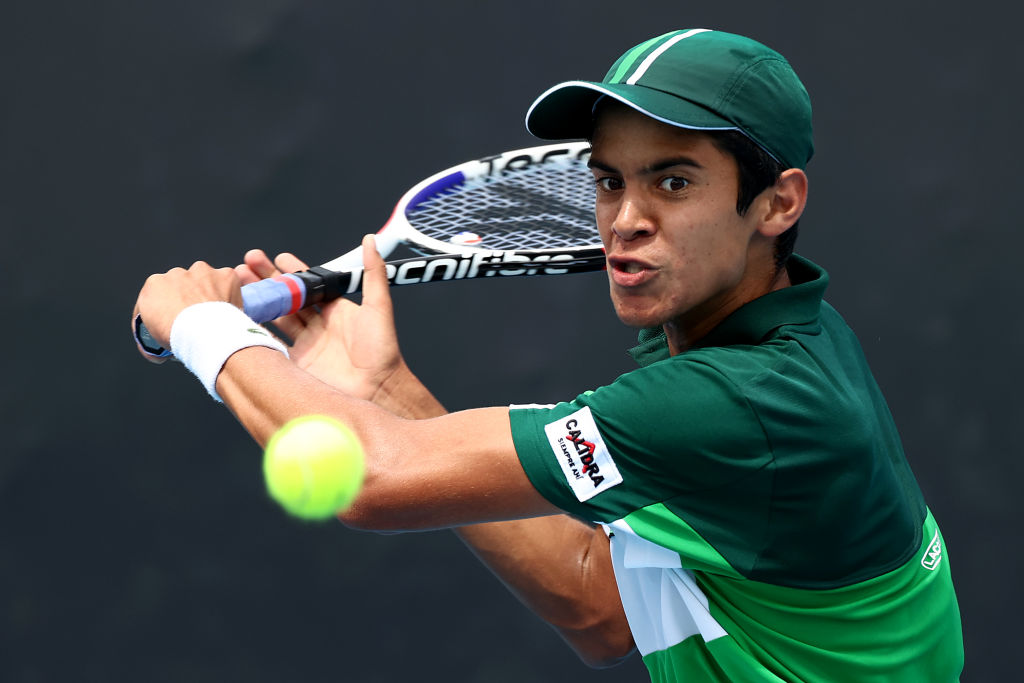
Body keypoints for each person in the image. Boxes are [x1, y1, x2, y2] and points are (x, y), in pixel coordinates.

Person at [133, 28, 964, 682]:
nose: (624, 218)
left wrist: (204, 328)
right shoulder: (770, 349)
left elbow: (371, 477)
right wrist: (383, 387)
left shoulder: (742, 401)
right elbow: (597, 601)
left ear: (777, 201)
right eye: (608, 181)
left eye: (672, 183)